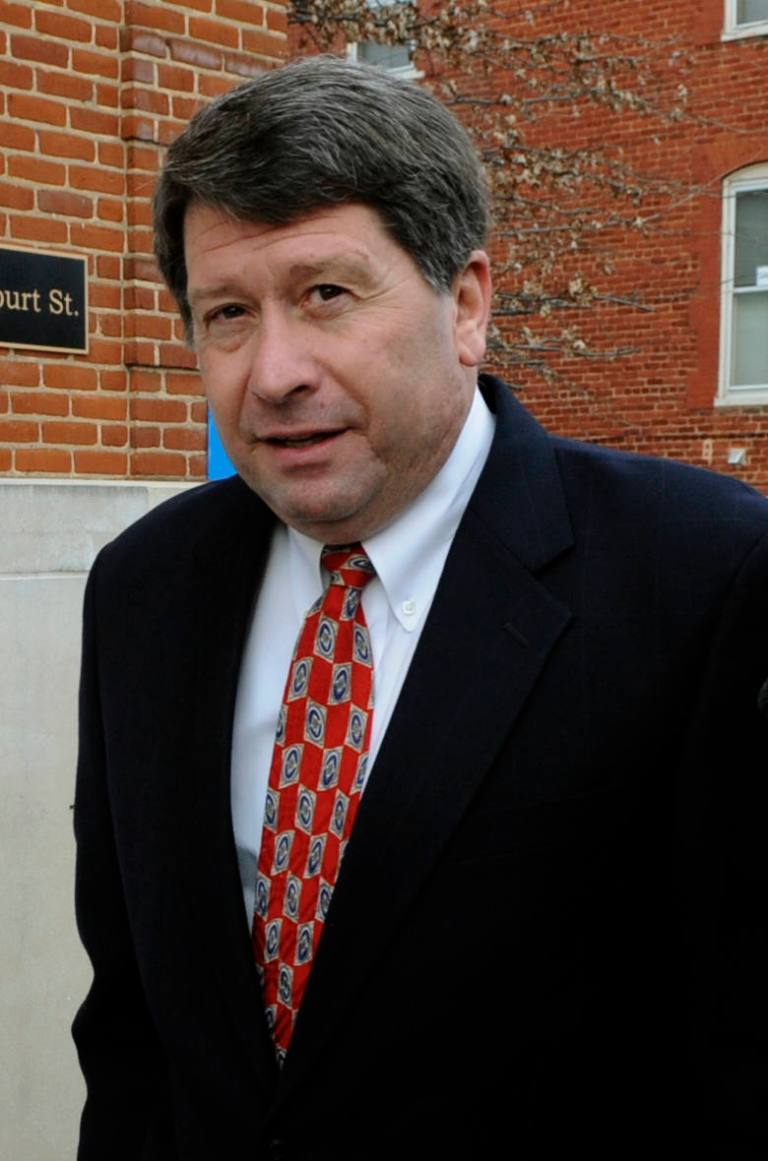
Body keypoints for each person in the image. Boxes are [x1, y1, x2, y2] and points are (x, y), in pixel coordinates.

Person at [73, 55, 768, 1161]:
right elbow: (132, 1030)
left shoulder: (705, 575)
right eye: (228, 314)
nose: (274, 372)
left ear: (467, 304)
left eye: (326, 295)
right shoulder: (142, 589)